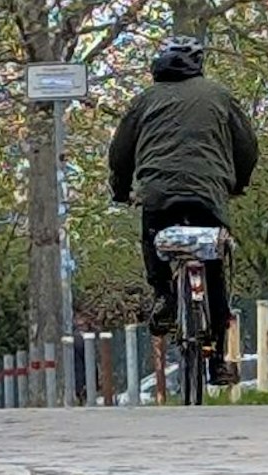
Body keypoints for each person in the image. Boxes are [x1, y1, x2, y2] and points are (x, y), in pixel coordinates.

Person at [108, 35, 258, 388]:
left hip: (158, 195)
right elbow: (247, 146)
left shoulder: (144, 100)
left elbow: (120, 152)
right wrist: (239, 182)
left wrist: (121, 191)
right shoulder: (220, 96)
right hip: (209, 195)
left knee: (153, 236)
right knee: (214, 268)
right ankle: (218, 361)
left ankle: (163, 293)